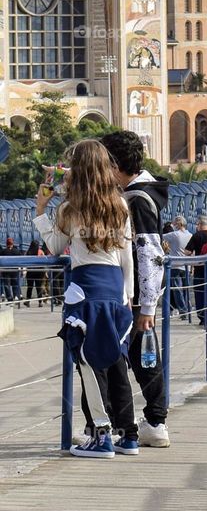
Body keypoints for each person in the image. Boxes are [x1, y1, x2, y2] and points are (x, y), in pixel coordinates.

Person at [33, 139, 138, 458]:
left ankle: (101, 435)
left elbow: (53, 246)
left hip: (83, 292)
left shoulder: (69, 209)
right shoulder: (119, 205)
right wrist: (129, 297)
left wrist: (40, 210)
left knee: (88, 362)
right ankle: (128, 436)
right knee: (114, 360)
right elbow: (127, 257)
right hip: (115, 291)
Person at [100, 130, 172, 448]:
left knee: (142, 359)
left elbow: (149, 252)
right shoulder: (144, 193)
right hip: (139, 295)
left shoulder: (138, 200)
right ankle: (152, 421)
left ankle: (153, 422)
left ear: (115, 165)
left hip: (137, 297)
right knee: (143, 358)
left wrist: (147, 307)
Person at [184, 215, 207, 325]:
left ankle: (202, 316)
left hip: (200, 268)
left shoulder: (196, 236)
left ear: (199, 225)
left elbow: (187, 251)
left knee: (199, 293)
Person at [163, 214, 192, 315]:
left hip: (175, 265)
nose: (173, 226)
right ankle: (187, 308)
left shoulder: (174, 235)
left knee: (177, 289)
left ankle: (183, 309)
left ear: (178, 224)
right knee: (185, 289)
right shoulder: (190, 235)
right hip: (186, 265)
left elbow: (160, 236)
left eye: (175, 224)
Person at [23, 238, 48, 306]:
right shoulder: (40, 252)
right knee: (38, 287)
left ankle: (28, 301)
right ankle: (40, 302)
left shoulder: (28, 252)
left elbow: (25, 262)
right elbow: (44, 261)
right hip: (39, 272)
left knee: (30, 287)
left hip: (30, 272)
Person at [0, 237, 22, 303]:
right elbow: (20, 260)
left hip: (6, 271)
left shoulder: (3, 251)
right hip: (15, 271)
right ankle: (15, 296)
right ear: (13, 243)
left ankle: (9, 297)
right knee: (15, 283)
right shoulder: (17, 251)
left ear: (6, 244)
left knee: (7, 284)